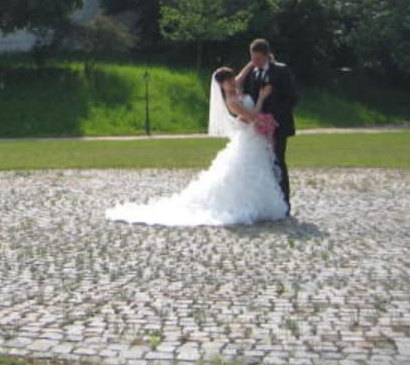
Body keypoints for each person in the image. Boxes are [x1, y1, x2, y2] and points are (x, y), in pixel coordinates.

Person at [105, 67, 288, 226]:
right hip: (248, 136)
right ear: (221, 86)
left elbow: (241, 75)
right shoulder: (232, 101)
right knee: (245, 171)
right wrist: (262, 98)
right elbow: (252, 115)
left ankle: (258, 203)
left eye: (232, 79)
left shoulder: (236, 88)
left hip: (252, 138)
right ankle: (248, 205)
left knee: (257, 170)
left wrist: (251, 63)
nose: (233, 82)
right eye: (228, 81)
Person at [240, 39, 298, 215]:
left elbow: (292, 98)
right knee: (263, 163)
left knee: (278, 161)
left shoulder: (281, 70)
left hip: (279, 125)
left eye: (258, 58)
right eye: (253, 58)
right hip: (259, 126)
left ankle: (284, 203)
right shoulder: (253, 73)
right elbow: (249, 95)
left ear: (267, 56)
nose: (255, 62)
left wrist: (273, 116)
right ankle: (267, 202)